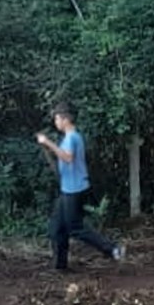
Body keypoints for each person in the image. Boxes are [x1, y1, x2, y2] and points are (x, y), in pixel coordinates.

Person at [34, 102, 124, 271]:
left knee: (75, 228)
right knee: (57, 227)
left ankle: (112, 249)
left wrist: (47, 143)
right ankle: (60, 267)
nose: (56, 122)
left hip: (74, 190)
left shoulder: (72, 138)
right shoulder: (71, 137)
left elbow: (68, 158)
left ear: (66, 119)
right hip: (69, 189)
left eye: (57, 118)